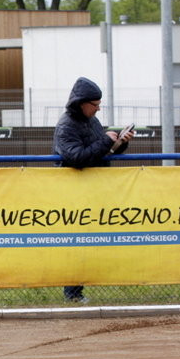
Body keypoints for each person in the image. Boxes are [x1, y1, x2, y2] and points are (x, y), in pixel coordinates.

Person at [53, 76, 134, 303]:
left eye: (99, 105)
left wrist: (120, 142)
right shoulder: (66, 126)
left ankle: (79, 289)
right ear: (81, 102)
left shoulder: (91, 121)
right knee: (76, 242)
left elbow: (100, 151)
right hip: (74, 192)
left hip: (93, 189)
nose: (98, 109)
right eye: (95, 105)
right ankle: (73, 293)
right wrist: (107, 141)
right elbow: (77, 158)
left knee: (92, 240)